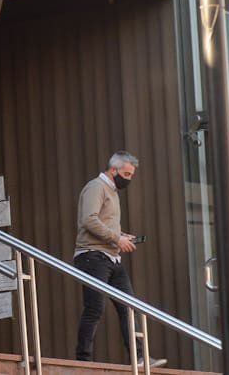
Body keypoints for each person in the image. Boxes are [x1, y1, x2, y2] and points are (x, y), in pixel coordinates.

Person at [73, 152, 166, 367]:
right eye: (126, 174)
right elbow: (89, 220)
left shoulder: (113, 192)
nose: (129, 179)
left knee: (128, 306)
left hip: (112, 258)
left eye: (131, 175)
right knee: (94, 308)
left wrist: (122, 236)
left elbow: (104, 223)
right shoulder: (96, 187)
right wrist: (117, 238)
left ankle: (140, 357)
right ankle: (83, 361)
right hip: (92, 256)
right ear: (113, 170)